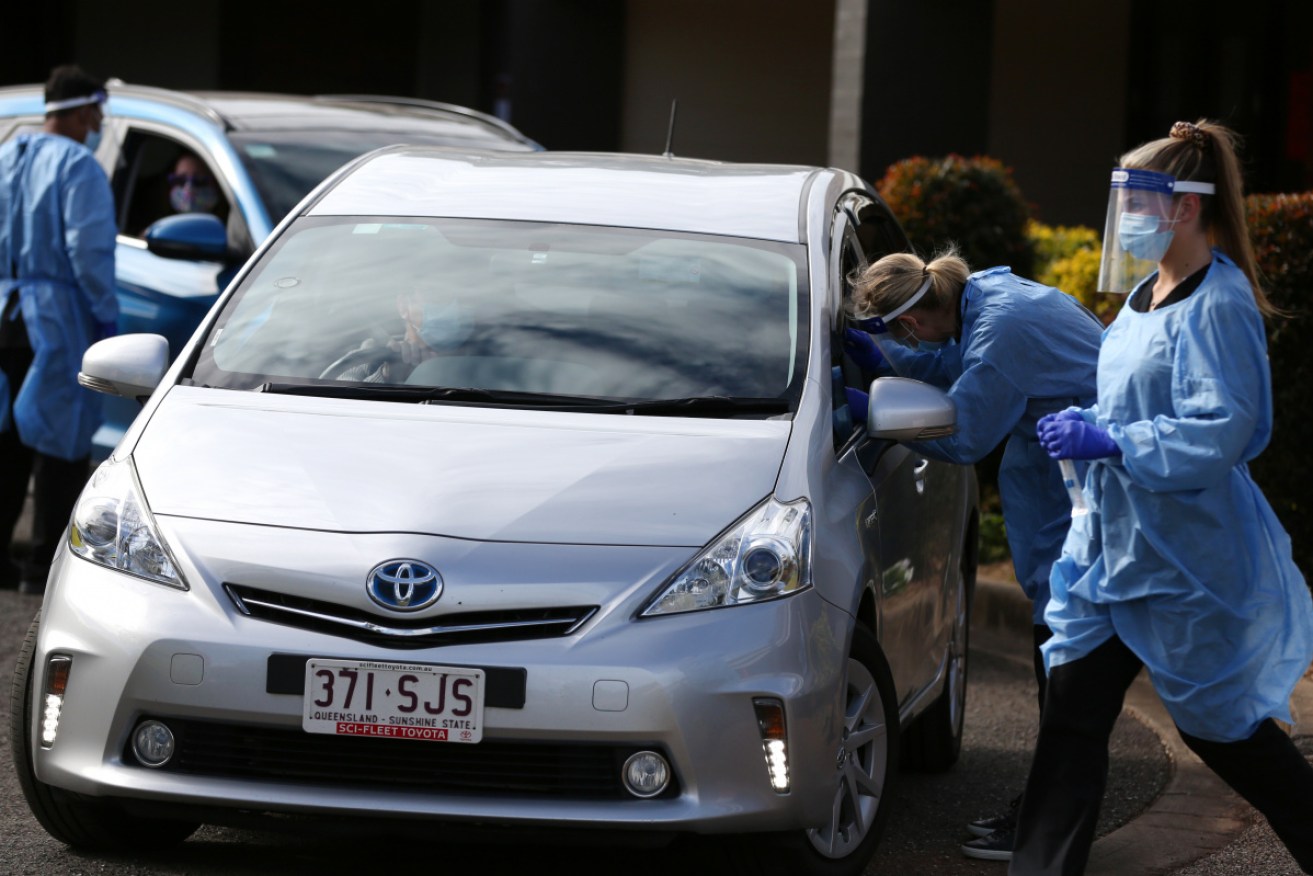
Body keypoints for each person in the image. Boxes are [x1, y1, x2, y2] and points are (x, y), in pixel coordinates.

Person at [1011, 120, 1313, 875]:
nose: (1127, 220)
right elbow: (1136, 397)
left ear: (1184, 206)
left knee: (1223, 732)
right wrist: (1090, 423)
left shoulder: (1220, 303)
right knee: (1070, 711)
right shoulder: (1147, 292)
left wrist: (1116, 442)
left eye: (1139, 201)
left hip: (1183, 560)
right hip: (1112, 552)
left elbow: (1223, 430)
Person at [844, 246, 1103, 861]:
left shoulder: (1000, 332)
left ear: (909, 318)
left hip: (1089, 494)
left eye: (901, 334)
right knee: (1070, 668)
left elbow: (960, 434)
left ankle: (1046, 826)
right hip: (1068, 488)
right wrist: (881, 357)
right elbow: (952, 360)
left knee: (1071, 674)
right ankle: (1046, 817)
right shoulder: (983, 299)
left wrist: (865, 409)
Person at [0, 65, 117, 594]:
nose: (99, 121)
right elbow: (88, 251)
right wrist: (104, 315)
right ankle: (41, 568)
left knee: (6, 440)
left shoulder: (6, 156)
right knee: (59, 442)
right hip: (54, 318)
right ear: (78, 109)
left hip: (4, 309)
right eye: (96, 110)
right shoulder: (79, 167)